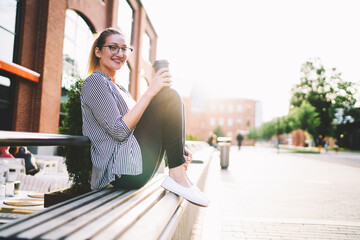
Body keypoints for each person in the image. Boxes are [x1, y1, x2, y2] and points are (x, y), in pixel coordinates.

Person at [81, 28, 209, 207]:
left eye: (124, 49)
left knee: (169, 96)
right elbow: (119, 131)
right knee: (168, 96)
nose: (120, 53)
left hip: (136, 165)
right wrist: (151, 90)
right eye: (113, 47)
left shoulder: (122, 90)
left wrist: (177, 150)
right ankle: (178, 177)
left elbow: (143, 127)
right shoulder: (94, 82)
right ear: (98, 52)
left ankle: (179, 174)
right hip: (120, 172)